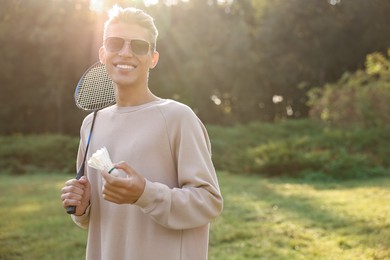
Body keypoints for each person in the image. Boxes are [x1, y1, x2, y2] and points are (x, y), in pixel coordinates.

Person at [60, 5, 223, 260]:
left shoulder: (178, 117)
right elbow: (94, 217)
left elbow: (209, 202)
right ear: (103, 54)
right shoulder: (90, 125)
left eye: (138, 46)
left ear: (152, 58)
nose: (125, 53)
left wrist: (144, 194)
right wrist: (82, 208)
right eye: (115, 44)